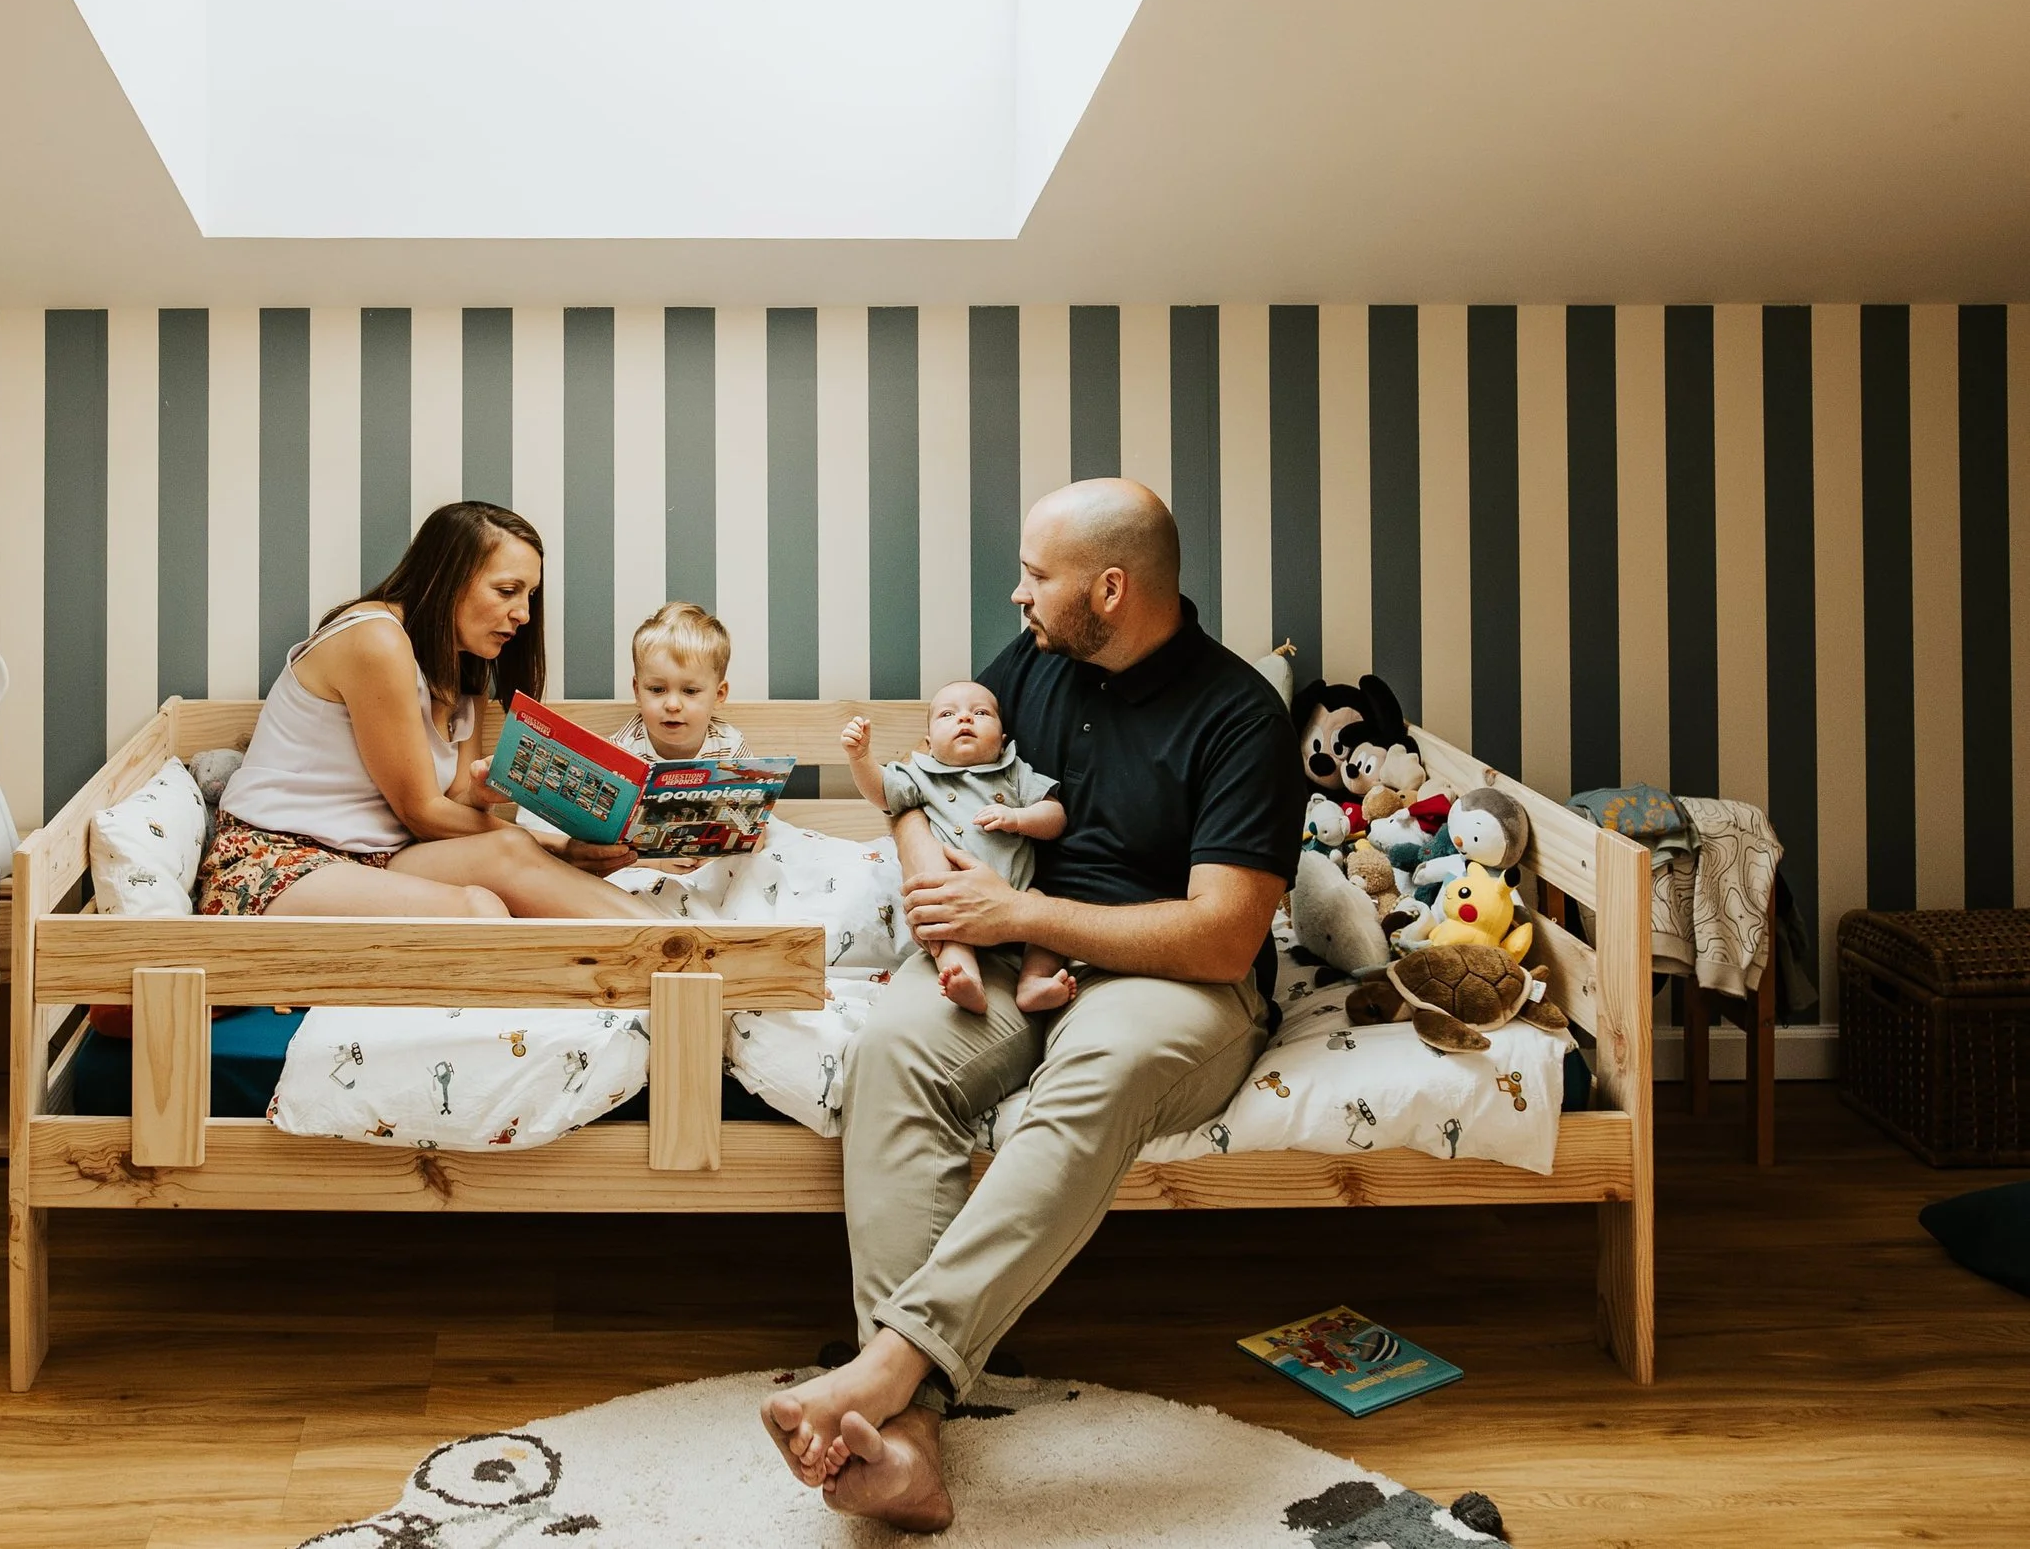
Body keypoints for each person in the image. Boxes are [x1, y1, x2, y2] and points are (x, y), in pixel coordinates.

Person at [762, 478, 1301, 1532]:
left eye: (1035, 574)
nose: (1017, 595)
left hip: (1169, 975)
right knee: (895, 1051)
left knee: (1091, 1074)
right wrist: (943, 892)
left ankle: (892, 1365)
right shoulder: (1040, 662)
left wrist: (1016, 906)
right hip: (1008, 944)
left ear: (1109, 586)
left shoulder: (1240, 717)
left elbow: (1222, 932)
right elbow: (926, 788)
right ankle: (907, 1446)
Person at [195, 500, 657, 923]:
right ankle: (682, 953)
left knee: (506, 851)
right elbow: (422, 813)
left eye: (530, 596)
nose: (523, 614)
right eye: (508, 590)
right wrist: (562, 848)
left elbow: (451, 808)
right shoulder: (375, 639)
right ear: (446, 578)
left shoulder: (464, 672)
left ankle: (684, 943)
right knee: (480, 909)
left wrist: (480, 797)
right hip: (276, 860)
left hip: (379, 857)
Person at [839, 683, 1075, 1014]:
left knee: (1048, 917)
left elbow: (1055, 816)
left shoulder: (1014, 771)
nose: (965, 718)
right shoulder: (922, 774)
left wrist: (1018, 817)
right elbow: (882, 794)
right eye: (948, 715)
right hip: (956, 900)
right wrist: (861, 757)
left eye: (981, 713)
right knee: (947, 934)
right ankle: (967, 982)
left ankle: (1033, 982)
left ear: (1003, 739)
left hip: (1019, 899)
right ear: (929, 743)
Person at [605, 602, 749, 764]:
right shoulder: (622, 751)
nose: (672, 705)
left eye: (690, 691)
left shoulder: (730, 747)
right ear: (638, 692)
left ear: (718, 695)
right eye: (657, 689)